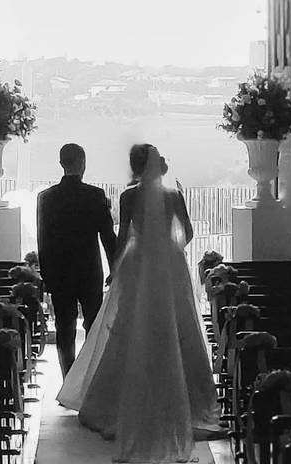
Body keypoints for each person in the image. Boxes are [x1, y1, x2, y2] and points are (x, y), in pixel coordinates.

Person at [57, 144, 220, 463]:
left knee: (130, 326)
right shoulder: (174, 195)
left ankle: (118, 402)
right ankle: (188, 400)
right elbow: (186, 233)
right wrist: (168, 246)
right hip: (170, 264)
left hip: (138, 262)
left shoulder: (128, 196)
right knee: (176, 325)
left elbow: (123, 235)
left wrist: (116, 268)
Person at [37, 143, 118, 378]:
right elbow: (107, 236)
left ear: (61, 163)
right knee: (93, 326)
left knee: (65, 328)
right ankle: (90, 377)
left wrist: (47, 276)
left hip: (60, 273)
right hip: (89, 271)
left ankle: (68, 379)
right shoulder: (95, 195)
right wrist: (115, 267)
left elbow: (44, 241)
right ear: (83, 163)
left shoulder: (46, 198)